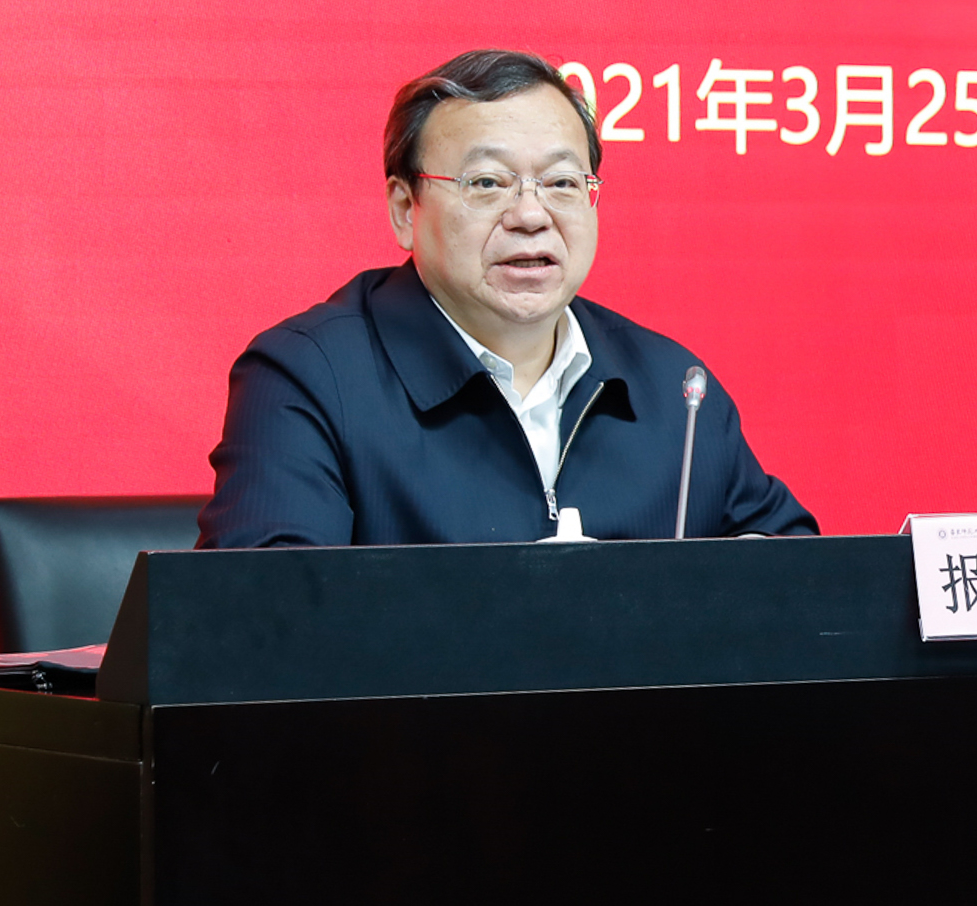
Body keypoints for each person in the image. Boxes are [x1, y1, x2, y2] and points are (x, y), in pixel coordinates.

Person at [199, 50, 818, 547]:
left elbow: (799, 578)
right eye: (488, 183)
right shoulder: (310, 378)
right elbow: (266, 624)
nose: (531, 215)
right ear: (405, 209)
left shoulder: (672, 388)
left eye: (562, 182)